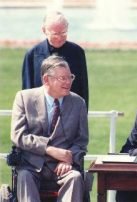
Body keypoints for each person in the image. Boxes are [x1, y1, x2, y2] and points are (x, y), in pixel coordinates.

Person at [11, 55, 89, 202]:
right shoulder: (24, 98)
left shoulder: (78, 103)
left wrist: (68, 159)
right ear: (46, 79)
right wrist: (48, 149)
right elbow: (18, 136)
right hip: (31, 165)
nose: (68, 82)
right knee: (24, 177)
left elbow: (81, 140)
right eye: (62, 78)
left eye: (70, 77)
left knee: (75, 177)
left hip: (63, 168)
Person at [22, 11, 89, 109]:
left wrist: (83, 116)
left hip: (70, 112)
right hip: (40, 114)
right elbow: (27, 91)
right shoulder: (32, 54)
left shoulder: (77, 52)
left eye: (63, 33)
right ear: (44, 30)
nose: (59, 38)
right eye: (55, 34)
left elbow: (83, 88)